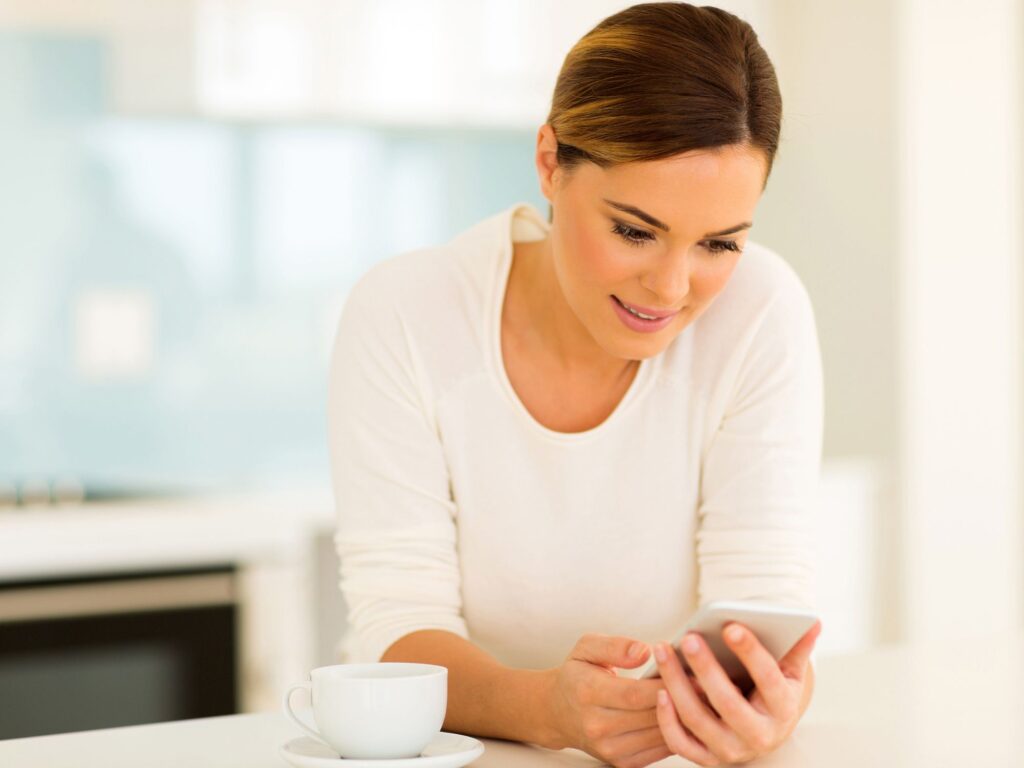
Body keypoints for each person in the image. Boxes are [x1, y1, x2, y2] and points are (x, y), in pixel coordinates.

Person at [327, 3, 824, 766]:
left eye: (719, 243)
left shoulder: (761, 310)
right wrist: (546, 711)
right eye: (633, 230)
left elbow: (766, 597)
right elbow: (397, 620)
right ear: (550, 162)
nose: (670, 287)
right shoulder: (405, 312)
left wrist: (766, 705)